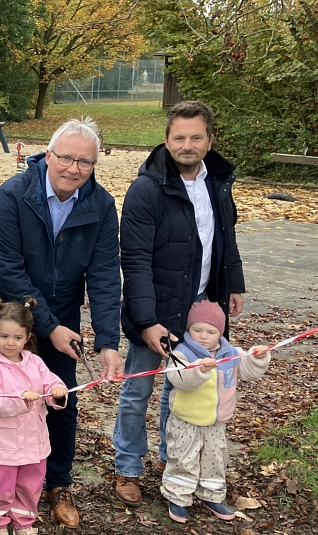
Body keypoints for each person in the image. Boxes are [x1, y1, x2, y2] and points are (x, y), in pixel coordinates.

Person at [0, 118, 122, 529]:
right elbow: (9, 269)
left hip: (62, 316)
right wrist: (45, 326)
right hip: (6, 315)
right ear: (48, 155)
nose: (73, 168)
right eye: (65, 157)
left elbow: (103, 273)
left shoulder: (100, 205)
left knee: (60, 397)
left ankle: (57, 480)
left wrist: (107, 340)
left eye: (84, 161)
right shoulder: (12, 196)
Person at [113, 101, 245, 508]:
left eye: (196, 137)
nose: (187, 145)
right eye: (179, 137)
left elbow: (226, 237)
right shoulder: (147, 188)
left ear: (209, 139)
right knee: (138, 391)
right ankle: (128, 468)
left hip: (200, 313)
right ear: (167, 139)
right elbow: (134, 260)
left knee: (184, 394)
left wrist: (233, 284)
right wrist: (148, 320)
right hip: (154, 310)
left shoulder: (218, 182)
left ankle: (177, 468)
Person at [161, 301, 269, 523]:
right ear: (189, 329)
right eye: (197, 330)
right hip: (186, 421)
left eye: (211, 332)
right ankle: (178, 497)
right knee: (183, 459)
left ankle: (212, 495)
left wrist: (258, 357)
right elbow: (180, 379)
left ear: (220, 332)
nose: (203, 336)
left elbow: (248, 371)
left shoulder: (230, 353)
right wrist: (200, 369)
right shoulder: (181, 353)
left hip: (216, 422)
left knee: (215, 459)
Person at [0, 297, 68, 535]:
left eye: (17, 338)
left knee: (30, 485)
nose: (10, 343)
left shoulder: (35, 362)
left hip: (34, 442)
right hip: (3, 445)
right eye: (4, 336)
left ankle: (23, 523)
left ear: (27, 338)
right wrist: (21, 398)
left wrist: (56, 392)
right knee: (2, 487)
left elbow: (50, 383)